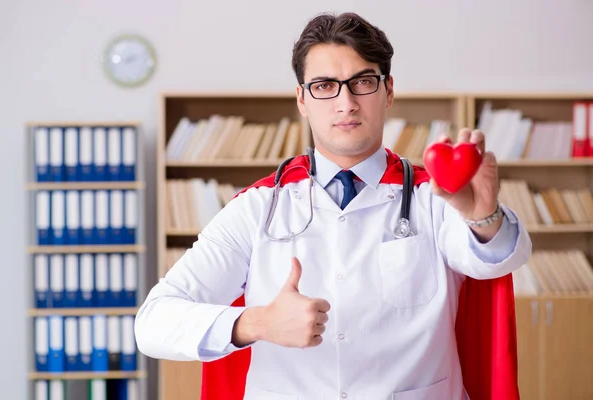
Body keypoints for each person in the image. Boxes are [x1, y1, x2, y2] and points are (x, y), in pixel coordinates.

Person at [135, 11, 532, 400]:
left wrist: (483, 213)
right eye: (325, 85)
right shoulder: (257, 209)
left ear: (388, 91)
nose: (346, 103)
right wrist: (256, 323)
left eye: (362, 82)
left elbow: (494, 260)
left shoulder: (435, 198)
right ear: (302, 100)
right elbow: (152, 324)